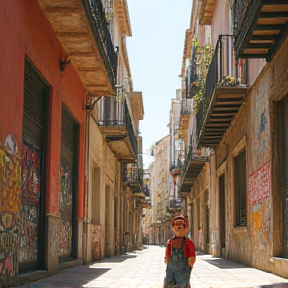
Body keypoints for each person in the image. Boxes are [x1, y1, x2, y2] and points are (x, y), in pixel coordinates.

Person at [163, 215, 196, 288]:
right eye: (176, 224)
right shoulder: (170, 242)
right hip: (171, 268)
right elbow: (167, 255)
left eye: (181, 224)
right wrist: (166, 258)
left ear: (186, 228)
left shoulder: (188, 243)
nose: (179, 227)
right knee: (168, 281)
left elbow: (191, 255)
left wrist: (191, 260)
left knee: (183, 283)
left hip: (183, 269)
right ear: (173, 228)